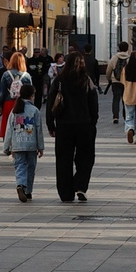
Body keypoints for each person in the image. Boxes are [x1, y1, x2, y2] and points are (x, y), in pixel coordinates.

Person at [48, 51, 100, 203]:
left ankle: (65, 193)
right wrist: (93, 122)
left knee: (63, 159)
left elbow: (52, 102)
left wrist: (51, 124)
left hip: (64, 125)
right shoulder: (86, 80)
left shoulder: (59, 80)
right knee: (86, 157)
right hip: (84, 124)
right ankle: (80, 185)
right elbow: (93, 104)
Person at [0, 49, 43, 201]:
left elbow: (9, 130)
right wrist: (41, 146)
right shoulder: (34, 110)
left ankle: (20, 184)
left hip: (17, 144)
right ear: (32, 95)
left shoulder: (14, 111)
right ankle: (28, 190)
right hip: (31, 144)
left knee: (19, 166)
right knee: (31, 167)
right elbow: (38, 130)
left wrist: (6, 147)